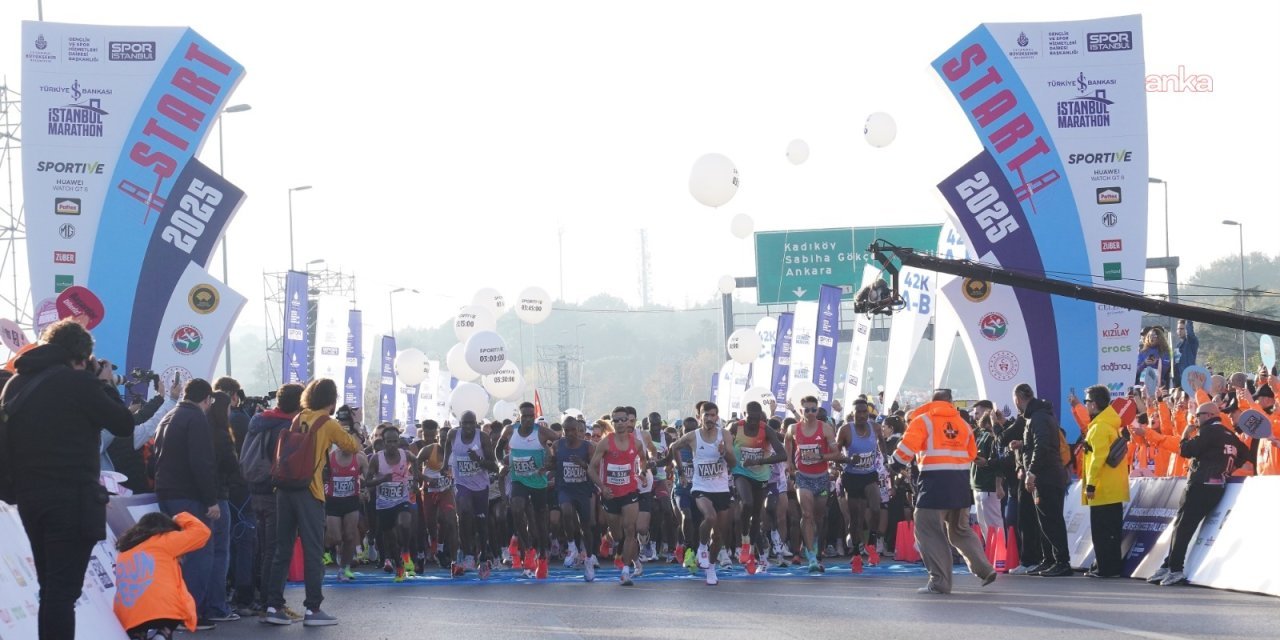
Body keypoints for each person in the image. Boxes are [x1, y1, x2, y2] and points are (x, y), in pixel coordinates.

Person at [1, 319, 135, 640]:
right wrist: (104, 384)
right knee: (62, 593)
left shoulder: (15, 384)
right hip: (72, 499)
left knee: (50, 589)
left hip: (31, 499)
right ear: (81, 356)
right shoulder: (78, 384)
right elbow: (123, 424)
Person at [262, 378, 359, 627]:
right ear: (332, 398)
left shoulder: (299, 416)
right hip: (309, 490)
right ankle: (313, 609)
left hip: (284, 488)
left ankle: (273, 605)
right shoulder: (328, 423)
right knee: (313, 550)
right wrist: (353, 426)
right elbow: (353, 446)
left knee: (282, 548)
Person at [891, 389, 996, 595]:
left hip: (934, 484)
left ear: (932, 401)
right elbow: (972, 454)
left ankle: (940, 582)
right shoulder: (964, 425)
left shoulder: (923, 421)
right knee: (960, 530)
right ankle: (985, 569)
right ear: (951, 402)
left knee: (928, 531)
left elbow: (904, 452)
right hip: (960, 483)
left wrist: (895, 463)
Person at [1147, 402, 1253, 586]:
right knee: (1183, 525)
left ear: (1210, 415)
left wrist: (1185, 435)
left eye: (1198, 415)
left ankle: (1175, 569)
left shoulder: (1209, 432)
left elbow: (1187, 450)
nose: (1196, 419)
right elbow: (1245, 454)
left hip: (1200, 484)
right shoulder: (1231, 435)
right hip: (1217, 486)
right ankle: (1168, 564)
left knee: (1182, 526)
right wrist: (1229, 469)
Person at [152, 379, 221, 631]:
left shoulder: (170, 416)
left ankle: (175, 612)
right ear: (207, 399)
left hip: (165, 492)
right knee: (200, 551)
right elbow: (202, 463)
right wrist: (211, 500)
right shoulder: (196, 419)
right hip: (189, 495)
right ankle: (190, 613)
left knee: (177, 556)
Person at [243, 383, 304, 621]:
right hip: (274, 491)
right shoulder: (286, 426)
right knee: (276, 549)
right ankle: (272, 603)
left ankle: (263, 600)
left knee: (263, 549)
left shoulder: (259, 420)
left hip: (255, 488)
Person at [667, 401, 738, 585]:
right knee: (710, 517)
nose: (709, 419)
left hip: (721, 489)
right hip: (701, 487)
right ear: (700, 417)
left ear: (717, 417)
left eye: (713, 415)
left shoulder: (725, 435)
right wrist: (681, 471)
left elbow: (733, 464)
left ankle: (711, 568)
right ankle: (702, 546)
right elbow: (673, 447)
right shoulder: (692, 436)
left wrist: (724, 453)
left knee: (720, 534)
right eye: (706, 415)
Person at [113, 512, 212, 639]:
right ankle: (163, 633)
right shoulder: (164, 540)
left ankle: (140, 635)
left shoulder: (125, 551)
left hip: (128, 614)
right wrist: (179, 517)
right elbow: (202, 532)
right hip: (163, 609)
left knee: (138, 628)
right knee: (170, 617)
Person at [1014, 383, 1072, 577]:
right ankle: (1049, 559)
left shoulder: (1038, 417)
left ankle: (1061, 561)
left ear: (1018, 399)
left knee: (1051, 519)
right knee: (1044, 521)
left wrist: (1031, 471)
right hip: (1046, 474)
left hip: (1047, 475)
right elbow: (1037, 444)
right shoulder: (1037, 416)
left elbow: (1042, 446)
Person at [587, 408, 649, 585]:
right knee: (618, 535)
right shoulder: (606, 443)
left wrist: (642, 473)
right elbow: (591, 469)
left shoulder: (636, 443)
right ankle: (613, 542)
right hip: (610, 495)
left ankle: (626, 570)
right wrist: (602, 487)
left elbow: (643, 460)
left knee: (631, 530)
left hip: (629, 492)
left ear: (630, 422)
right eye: (617, 420)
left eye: (624, 420)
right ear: (612, 423)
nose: (621, 423)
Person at [498, 401, 560, 578]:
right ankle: (529, 550)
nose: (527, 419)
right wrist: (502, 463)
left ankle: (542, 558)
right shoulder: (510, 430)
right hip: (519, 480)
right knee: (516, 509)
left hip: (538, 483)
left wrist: (549, 463)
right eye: (524, 416)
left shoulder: (541, 432)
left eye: (530, 416)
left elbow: (560, 443)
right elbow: (497, 450)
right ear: (519, 416)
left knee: (540, 524)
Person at [785, 395, 842, 573]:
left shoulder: (825, 429)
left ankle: (815, 545)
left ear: (817, 410)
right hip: (803, 477)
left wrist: (821, 457)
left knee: (818, 517)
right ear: (800, 411)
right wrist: (789, 462)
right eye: (806, 410)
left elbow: (837, 453)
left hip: (822, 477)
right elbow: (787, 440)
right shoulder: (794, 428)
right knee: (807, 515)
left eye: (813, 410)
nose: (810, 413)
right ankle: (811, 556)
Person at [1080, 385, 1129, 578]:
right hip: (1113, 488)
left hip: (1103, 490)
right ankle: (1110, 567)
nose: (1086, 406)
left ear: (1094, 404)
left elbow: (1097, 459)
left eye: (1087, 402)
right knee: (1111, 531)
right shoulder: (1108, 424)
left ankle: (1105, 568)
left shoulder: (1099, 427)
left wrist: (1091, 485)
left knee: (1102, 532)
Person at [731, 400, 787, 571]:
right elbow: (724, 443)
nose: (754, 422)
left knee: (756, 515)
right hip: (741, 472)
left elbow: (782, 454)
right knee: (746, 503)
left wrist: (760, 460)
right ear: (744, 415)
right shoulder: (735, 428)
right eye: (751, 418)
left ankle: (752, 546)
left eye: (757, 419)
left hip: (761, 476)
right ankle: (744, 540)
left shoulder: (766, 430)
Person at [445, 410, 498, 576]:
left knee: (481, 523)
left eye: (471, 423)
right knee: (464, 511)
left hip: (481, 487)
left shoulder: (482, 437)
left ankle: (483, 556)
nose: (468, 427)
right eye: (464, 423)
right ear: (460, 424)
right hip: (462, 484)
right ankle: (467, 554)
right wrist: (446, 463)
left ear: (476, 424)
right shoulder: (453, 434)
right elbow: (447, 445)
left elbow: (494, 466)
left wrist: (479, 460)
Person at [836, 398, 885, 564]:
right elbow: (836, 455)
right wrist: (848, 461)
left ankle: (871, 543)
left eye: (865, 412)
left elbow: (882, 445)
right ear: (853, 413)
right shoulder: (845, 430)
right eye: (859, 412)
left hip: (869, 474)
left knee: (876, 508)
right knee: (856, 518)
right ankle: (856, 551)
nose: (862, 415)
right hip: (852, 477)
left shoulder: (876, 428)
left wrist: (886, 461)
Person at [367, 423, 416, 581]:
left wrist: (414, 480)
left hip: (401, 499)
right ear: (384, 442)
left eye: (395, 441)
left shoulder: (405, 455)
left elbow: (415, 462)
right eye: (389, 441)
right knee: (390, 538)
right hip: (384, 504)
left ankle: (406, 550)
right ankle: (399, 566)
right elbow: (367, 481)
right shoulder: (376, 459)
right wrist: (381, 479)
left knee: (405, 523)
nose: (392, 445)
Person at [552, 416, 595, 574]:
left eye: (573, 430)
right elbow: (552, 463)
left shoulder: (588, 447)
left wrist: (583, 464)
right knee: (566, 510)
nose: (570, 433)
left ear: (579, 431)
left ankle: (589, 558)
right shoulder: (557, 445)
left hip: (582, 491)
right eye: (566, 430)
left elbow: (594, 469)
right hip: (565, 488)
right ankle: (571, 546)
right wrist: (544, 467)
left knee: (586, 526)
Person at [324, 427, 368, 582]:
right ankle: (334, 551)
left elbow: (367, 479)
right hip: (334, 502)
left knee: (349, 536)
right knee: (335, 537)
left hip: (351, 501)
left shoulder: (361, 458)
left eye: (353, 441)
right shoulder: (330, 457)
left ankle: (344, 568)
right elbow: (323, 478)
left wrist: (365, 490)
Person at [416, 420, 458, 571]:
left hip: (446, 491)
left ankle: (453, 559)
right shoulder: (428, 450)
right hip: (429, 492)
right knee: (430, 524)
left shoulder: (457, 452)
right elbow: (413, 467)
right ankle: (434, 546)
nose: (443, 441)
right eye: (441, 438)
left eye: (447, 439)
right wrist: (426, 479)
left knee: (450, 520)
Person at [969, 401, 1004, 543]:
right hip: (977, 484)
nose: (975, 416)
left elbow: (999, 461)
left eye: (977, 413)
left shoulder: (994, 437)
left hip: (989, 486)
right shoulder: (980, 433)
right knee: (984, 524)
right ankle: (991, 553)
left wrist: (998, 484)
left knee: (994, 522)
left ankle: (1000, 556)